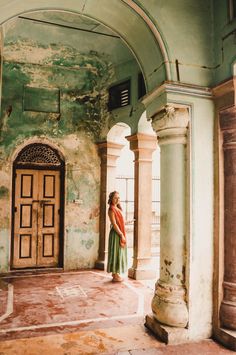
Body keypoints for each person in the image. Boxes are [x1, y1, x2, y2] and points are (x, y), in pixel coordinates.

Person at [107, 191, 127, 282]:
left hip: (119, 233)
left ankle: (116, 273)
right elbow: (114, 224)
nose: (117, 199)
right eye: (115, 198)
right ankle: (114, 274)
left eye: (118, 198)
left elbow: (121, 222)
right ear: (111, 199)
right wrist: (121, 235)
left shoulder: (118, 208)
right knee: (115, 253)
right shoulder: (111, 209)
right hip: (116, 234)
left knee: (119, 253)